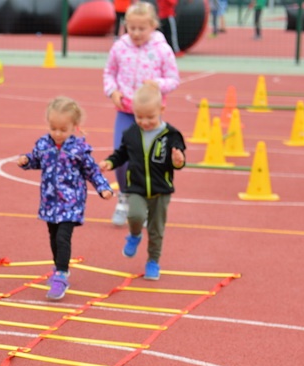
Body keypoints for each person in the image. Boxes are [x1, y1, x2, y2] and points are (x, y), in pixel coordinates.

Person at [17, 97, 114, 301]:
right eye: (53, 128)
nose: (58, 133)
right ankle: (58, 267)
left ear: (74, 127)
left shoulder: (78, 149)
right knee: (53, 236)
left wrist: (104, 188)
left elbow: (92, 171)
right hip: (50, 201)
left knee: (63, 236)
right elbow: (36, 159)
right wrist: (26, 160)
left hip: (71, 201)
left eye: (63, 129)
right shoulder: (44, 144)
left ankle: (61, 274)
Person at [102, 1, 179, 227]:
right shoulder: (119, 47)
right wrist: (112, 91)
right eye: (131, 28)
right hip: (126, 112)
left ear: (153, 25)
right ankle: (124, 198)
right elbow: (109, 72)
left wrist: (156, 84)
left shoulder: (162, 49)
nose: (135, 33)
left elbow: (174, 80)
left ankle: (145, 201)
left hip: (151, 116)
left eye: (141, 28)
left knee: (148, 160)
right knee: (121, 157)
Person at [99, 83, 186, 282]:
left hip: (161, 189)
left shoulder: (171, 135)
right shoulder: (131, 133)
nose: (144, 122)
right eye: (139, 117)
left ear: (161, 110)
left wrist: (178, 161)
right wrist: (110, 162)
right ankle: (135, 235)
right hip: (137, 187)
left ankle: (153, 261)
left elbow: (179, 159)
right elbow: (121, 154)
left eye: (150, 117)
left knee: (156, 229)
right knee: (135, 214)